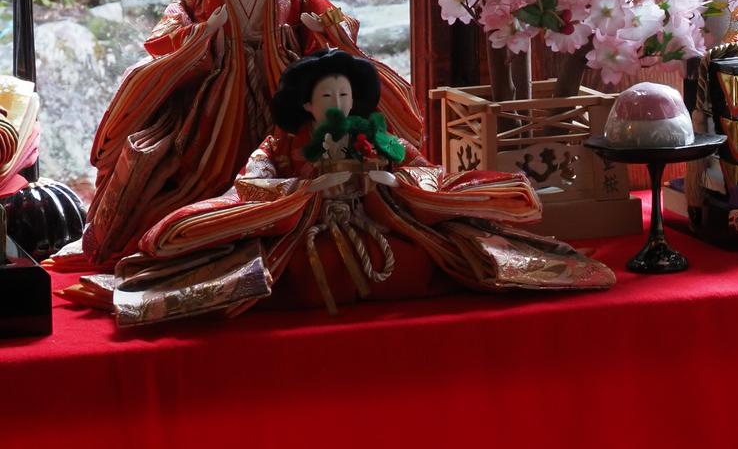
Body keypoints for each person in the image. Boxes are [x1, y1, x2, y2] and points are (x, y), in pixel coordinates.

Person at [63, 52, 612, 325]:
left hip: (379, 221)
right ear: (307, 103)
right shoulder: (281, 143)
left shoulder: (376, 134)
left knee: (419, 262)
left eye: (345, 97)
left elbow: (425, 170)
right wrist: (306, 190)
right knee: (296, 273)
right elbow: (250, 185)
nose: (338, 105)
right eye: (328, 97)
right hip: (302, 232)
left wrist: (389, 178)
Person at [77, 0, 425, 267]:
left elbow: (341, 20)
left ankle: (291, 214)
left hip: (281, 82)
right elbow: (164, 36)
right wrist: (204, 31)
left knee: (295, 148)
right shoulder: (195, 0)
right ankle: (215, 216)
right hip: (220, 91)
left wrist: (323, 27)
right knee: (198, 164)